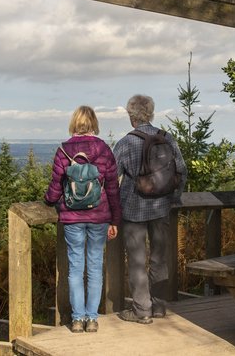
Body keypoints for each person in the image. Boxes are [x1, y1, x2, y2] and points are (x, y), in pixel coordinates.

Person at [44, 105, 121, 334]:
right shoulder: (104, 150)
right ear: (93, 123)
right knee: (95, 267)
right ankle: (92, 319)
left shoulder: (63, 151)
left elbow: (56, 187)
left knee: (75, 268)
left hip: (72, 217)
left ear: (74, 123)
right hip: (99, 216)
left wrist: (48, 201)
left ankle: (77, 320)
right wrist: (115, 220)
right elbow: (114, 189)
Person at [112, 94, 187, 324]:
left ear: (131, 116)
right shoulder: (166, 138)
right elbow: (181, 171)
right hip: (162, 207)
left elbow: (112, 177)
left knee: (136, 260)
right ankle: (159, 307)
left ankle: (141, 310)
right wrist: (173, 197)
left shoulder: (125, 143)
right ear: (151, 113)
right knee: (159, 259)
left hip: (133, 209)